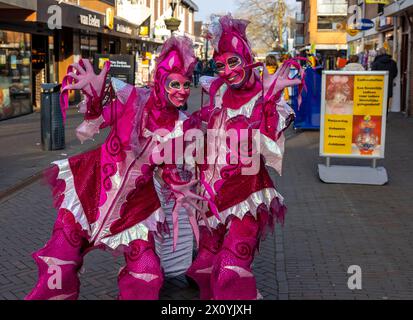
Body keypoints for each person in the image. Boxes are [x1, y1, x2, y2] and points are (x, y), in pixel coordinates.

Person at [25, 36, 204, 300]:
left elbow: (169, 167)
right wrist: (95, 99)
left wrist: (180, 187)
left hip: (136, 208)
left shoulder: (184, 124)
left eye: (187, 84)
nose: (182, 90)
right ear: (160, 81)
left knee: (147, 273)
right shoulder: (131, 97)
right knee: (59, 260)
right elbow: (94, 124)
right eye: (174, 83)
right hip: (90, 190)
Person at [185, 14, 304, 300]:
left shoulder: (267, 97)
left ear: (247, 57)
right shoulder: (216, 93)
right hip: (210, 200)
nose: (226, 71)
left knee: (230, 271)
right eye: (220, 65)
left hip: (246, 198)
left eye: (234, 61)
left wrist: (271, 100)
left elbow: (268, 144)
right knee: (203, 269)